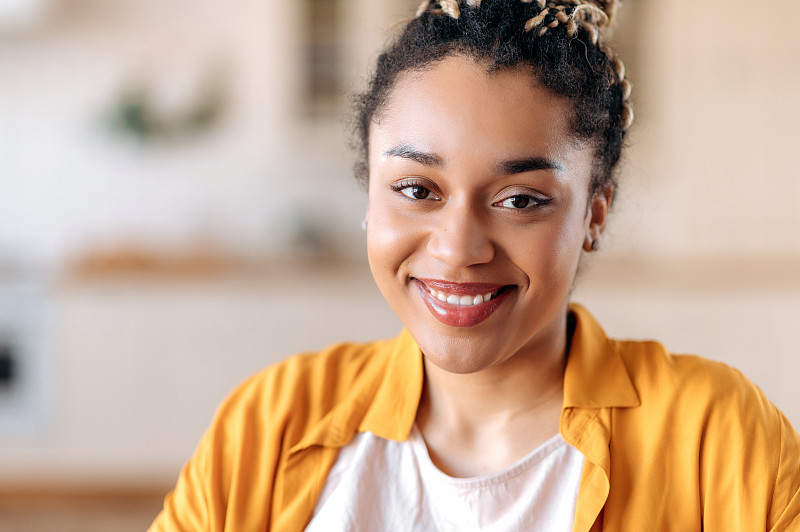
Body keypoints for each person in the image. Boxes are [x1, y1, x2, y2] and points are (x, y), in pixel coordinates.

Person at [148, 0, 800, 530]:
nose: (459, 248)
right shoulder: (273, 421)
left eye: (520, 200)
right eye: (416, 190)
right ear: (369, 197)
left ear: (595, 214)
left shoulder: (716, 435)